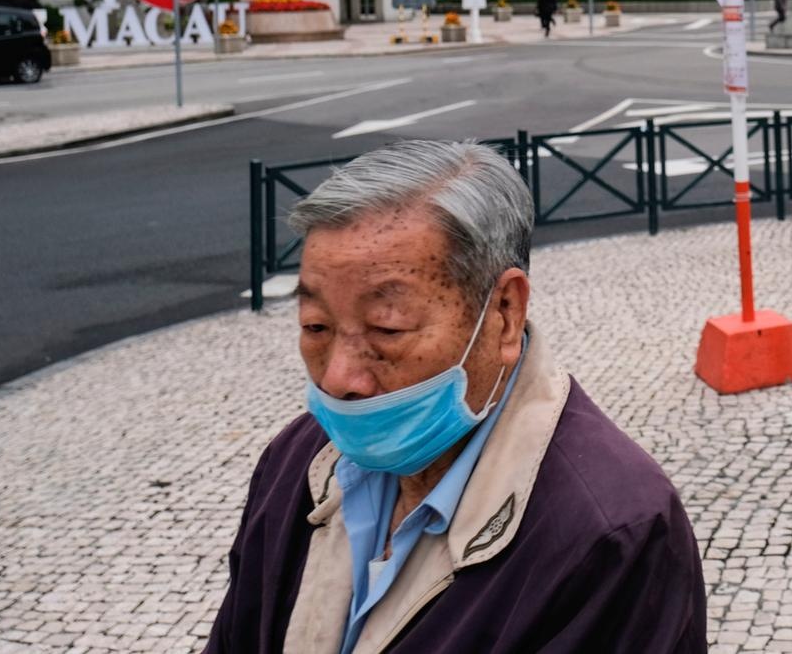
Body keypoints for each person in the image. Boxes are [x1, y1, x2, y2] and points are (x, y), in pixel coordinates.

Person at [205, 141, 707, 652]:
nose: (338, 378)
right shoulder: (296, 462)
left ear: (504, 313)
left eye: (387, 328)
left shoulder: (612, 533)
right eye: (316, 326)